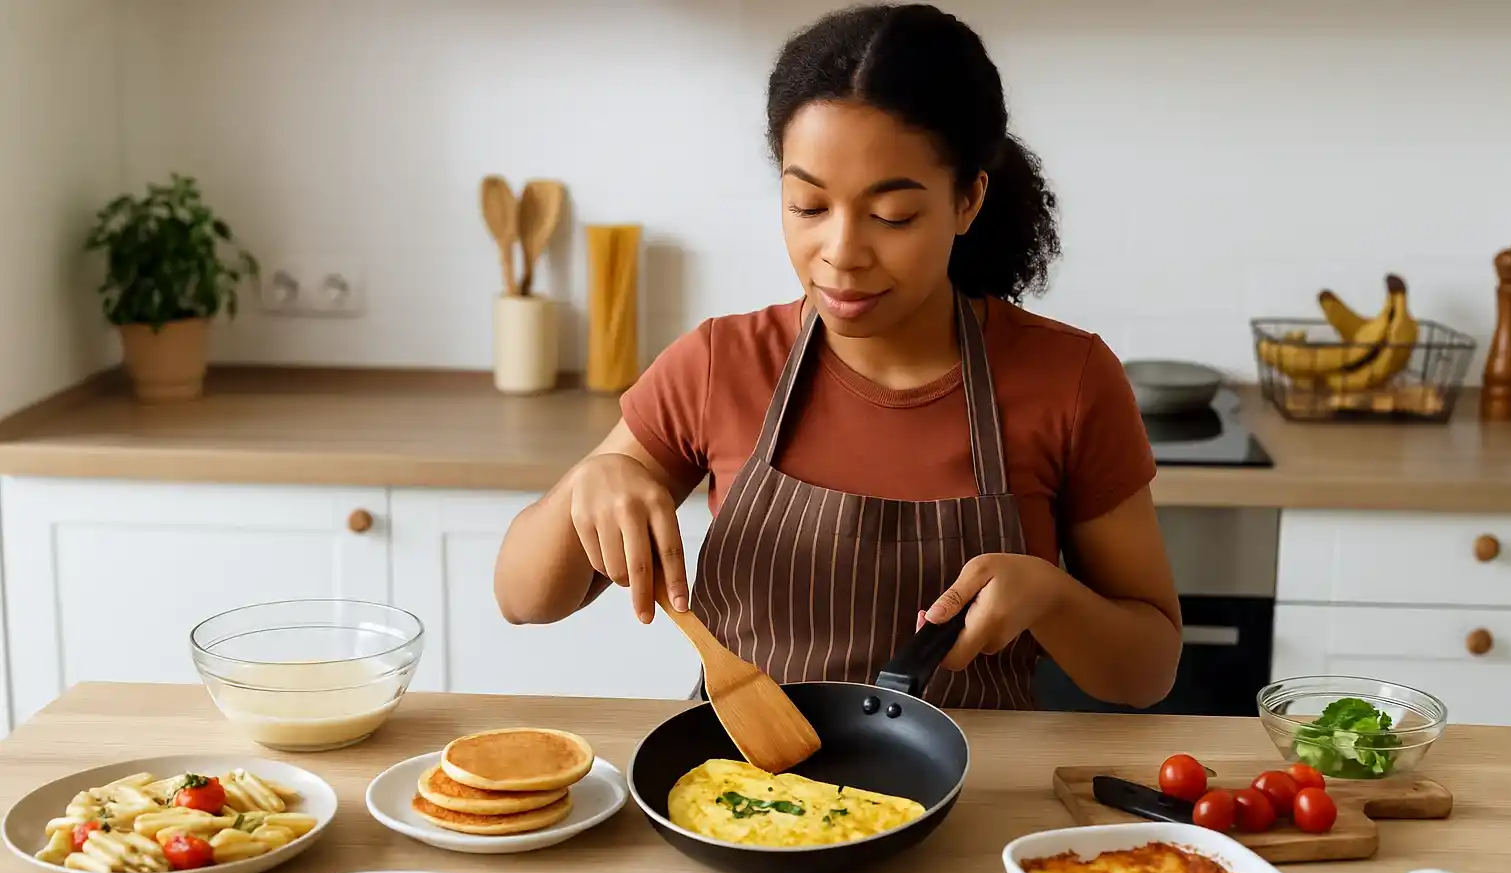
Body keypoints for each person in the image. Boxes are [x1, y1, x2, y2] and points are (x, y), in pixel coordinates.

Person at [494, 3, 1181, 710]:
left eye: (893, 217)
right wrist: (592, 479)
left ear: (969, 200)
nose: (842, 254)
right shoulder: (718, 365)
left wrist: (1052, 597)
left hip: (973, 801)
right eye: (808, 206)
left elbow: (1148, 671)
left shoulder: (1068, 380)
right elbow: (523, 601)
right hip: (743, 798)